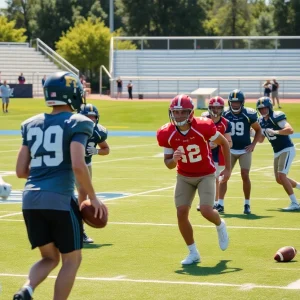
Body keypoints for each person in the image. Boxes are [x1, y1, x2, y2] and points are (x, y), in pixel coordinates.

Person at [14, 72, 106, 300]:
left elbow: (20, 171)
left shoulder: (31, 124)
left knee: (49, 257)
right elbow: (78, 164)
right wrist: (93, 197)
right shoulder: (79, 122)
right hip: (60, 199)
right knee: (72, 259)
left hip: (30, 199)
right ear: (72, 94)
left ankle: (27, 289)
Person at [156, 94, 230, 265]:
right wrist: (173, 159)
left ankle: (220, 224)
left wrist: (227, 169)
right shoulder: (166, 133)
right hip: (184, 176)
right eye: (176, 112)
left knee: (205, 210)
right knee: (181, 213)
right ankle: (193, 252)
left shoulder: (203, 127)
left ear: (191, 113)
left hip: (205, 174)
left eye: (183, 112)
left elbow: (224, 143)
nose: (179, 115)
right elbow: (168, 164)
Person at [219, 89, 262, 214]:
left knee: (245, 175)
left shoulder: (249, 114)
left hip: (244, 149)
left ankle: (247, 204)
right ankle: (220, 203)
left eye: (237, 102)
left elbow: (258, 130)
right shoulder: (225, 113)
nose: (235, 104)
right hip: (229, 149)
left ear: (242, 102)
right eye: (233, 102)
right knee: (225, 176)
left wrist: (253, 144)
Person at [256, 96, 300, 211]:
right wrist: (252, 134)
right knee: (279, 179)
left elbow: (290, 130)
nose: (263, 111)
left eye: (265, 108)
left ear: (269, 107)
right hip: (277, 151)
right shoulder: (261, 121)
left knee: (282, 175)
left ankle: (295, 203)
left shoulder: (276, 117)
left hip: (287, 148)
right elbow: (260, 139)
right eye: (260, 109)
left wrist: (275, 131)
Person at [77, 103, 110, 243]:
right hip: (68, 164)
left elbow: (106, 149)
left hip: (86, 164)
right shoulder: (73, 129)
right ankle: (75, 229)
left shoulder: (98, 132)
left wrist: (96, 151)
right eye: (87, 117)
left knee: (83, 194)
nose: (91, 120)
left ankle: (79, 230)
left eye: (93, 117)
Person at [197, 96, 232, 212]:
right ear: (209, 108)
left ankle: (215, 202)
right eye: (214, 107)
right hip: (203, 153)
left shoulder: (226, 123)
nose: (216, 110)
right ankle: (204, 201)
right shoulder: (203, 119)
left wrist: (219, 143)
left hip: (218, 154)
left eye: (218, 108)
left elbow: (229, 143)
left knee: (214, 178)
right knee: (200, 178)